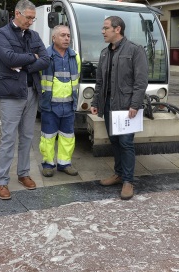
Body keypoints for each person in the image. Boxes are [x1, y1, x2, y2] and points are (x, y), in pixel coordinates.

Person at [0, 0, 50, 200]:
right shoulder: (1, 34)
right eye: (28, 17)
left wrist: (26, 62)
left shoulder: (34, 35)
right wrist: (32, 57)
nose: (31, 22)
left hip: (31, 91)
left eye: (33, 18)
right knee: (8, 138)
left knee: (27, 136)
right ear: (16, 13)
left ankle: (23, 174)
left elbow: (45, 59)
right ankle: (2, 181)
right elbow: (8, 59)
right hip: (11, 93)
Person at [90, 16, 148, 200]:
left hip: (126, 107)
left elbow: (141, 82)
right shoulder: (104, 53)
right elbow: (99, 82)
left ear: (118, 29)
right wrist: (95, 102)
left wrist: (135, 104)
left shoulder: (135, 50)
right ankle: (119, 174)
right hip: (108, 106)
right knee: (114, 141)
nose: (102, 31)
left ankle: (128, 181)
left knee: (126, 143)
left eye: (106, 28)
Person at [39, 25, 81, 177]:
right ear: (54, 38)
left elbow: (77, 79)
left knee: (67, 136)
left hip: (69, 105)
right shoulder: (45, 56)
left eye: (68, 36)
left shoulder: (74, 56)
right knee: (48, 137)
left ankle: (64, 164)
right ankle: (48, 164)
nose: (66, 38)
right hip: (50, 105)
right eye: (63, 35)